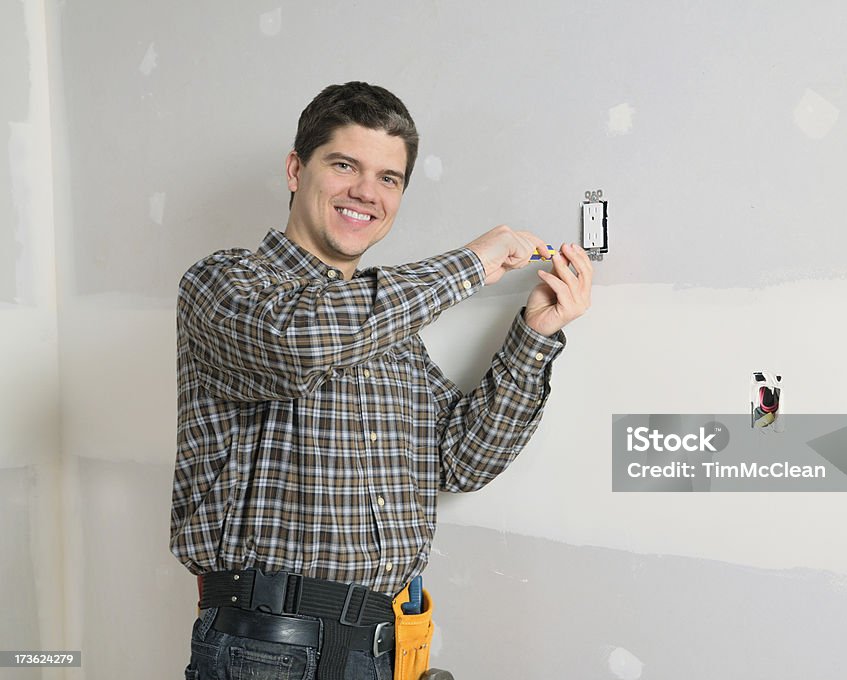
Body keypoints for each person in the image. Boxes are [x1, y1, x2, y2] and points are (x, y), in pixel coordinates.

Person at [170, 82, 592, 680]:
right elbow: (299, 343)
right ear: (296, 169)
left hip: (386, 646)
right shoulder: (224, 286)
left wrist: (533, 336)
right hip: (268, 648)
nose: (366, 192)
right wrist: (470, 263)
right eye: (345, 165)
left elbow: (461, 462)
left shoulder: (395, 330)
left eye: (389, 178)